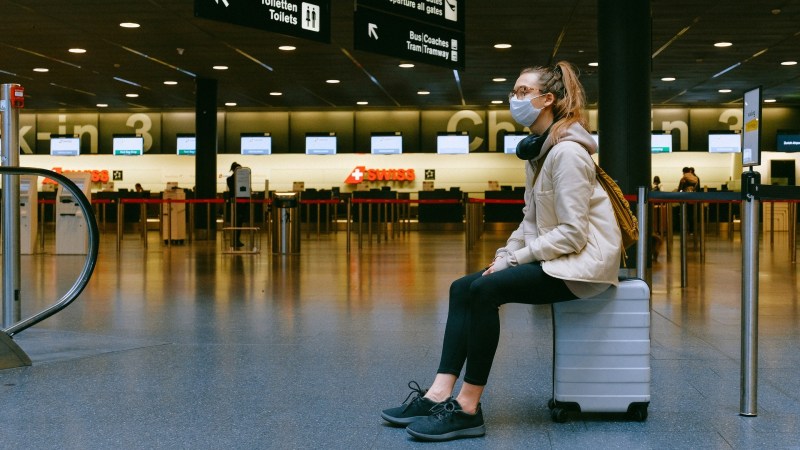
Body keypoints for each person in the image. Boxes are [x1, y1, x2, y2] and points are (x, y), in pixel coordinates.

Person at [380, 61, 622, 442]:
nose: (514, 98)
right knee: (463, 286)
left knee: (485, 290)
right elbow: (531, 220)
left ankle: (467, 407)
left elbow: (574, 235)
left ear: (548, 100)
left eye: (523, 92)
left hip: (581, 268)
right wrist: (504, 255)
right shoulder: (541, 153)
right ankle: (438, 393)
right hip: (557, 258)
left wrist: (516, 260)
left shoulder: (568, 154)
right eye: (514, 91)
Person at [226, 162, 247, 247]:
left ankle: (236, 239)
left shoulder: (231, 179)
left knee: (238, 222)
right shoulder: (231, 179)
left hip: (238, 203)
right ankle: (235, 239)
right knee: (237, 222)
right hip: (236, 203)